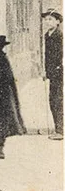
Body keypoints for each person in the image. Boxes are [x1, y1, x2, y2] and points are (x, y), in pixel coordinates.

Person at [42, 10, 63, 140]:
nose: (47, 21)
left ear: (57, 22)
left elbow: (59, 55)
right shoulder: (48, 34)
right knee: (53, 100)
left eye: (50, 19)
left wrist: (54, 70)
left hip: (58, 71)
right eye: (46, 19)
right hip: (51, 71)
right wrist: (46, 71)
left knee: (57, 100)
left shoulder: (59, 35)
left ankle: (60, 130)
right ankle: (58, 128)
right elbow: (47, 56)